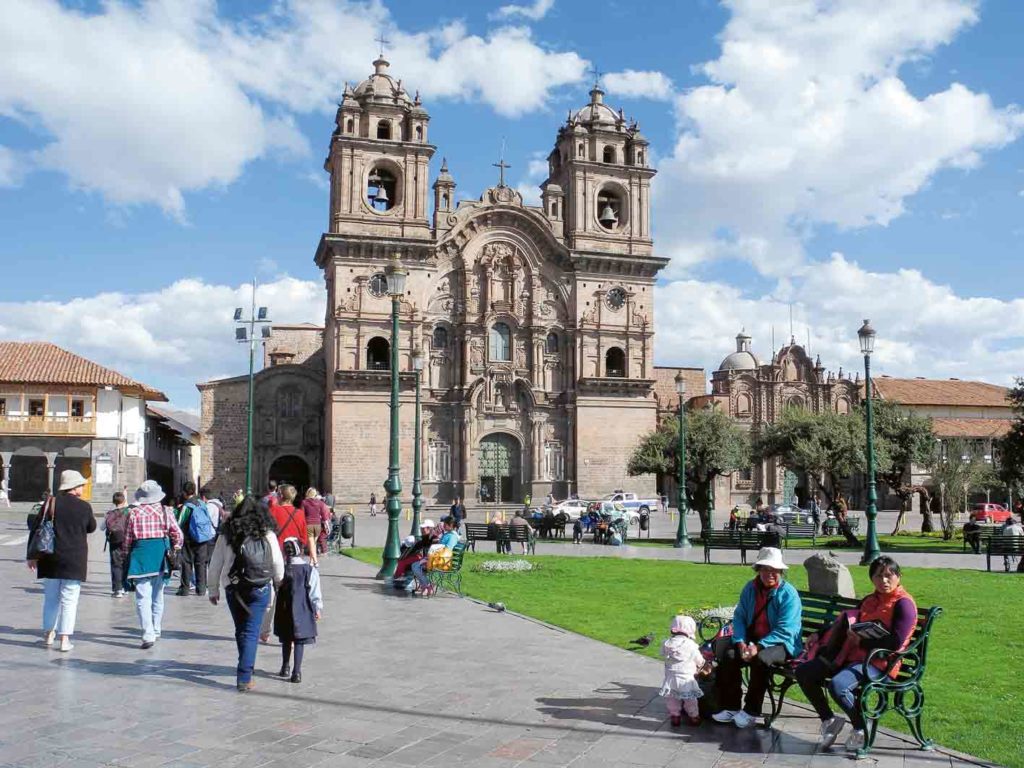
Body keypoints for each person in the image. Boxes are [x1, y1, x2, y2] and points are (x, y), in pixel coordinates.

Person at [795, 556, 918, 753]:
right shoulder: (870, 600)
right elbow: (847, 619)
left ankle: (861, 727)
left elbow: (895, 642)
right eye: (878, 576)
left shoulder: (904, 604)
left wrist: (863, 641)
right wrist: (819, 633)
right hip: (850, 656)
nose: (884, 580)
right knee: (803, 672)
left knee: (838, 685)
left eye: (889, 575)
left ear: (898, 576)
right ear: (872, 579)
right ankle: (829, 720)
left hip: (880, 664)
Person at [712, 547, 803, 729]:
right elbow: (739, 617)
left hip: (782, 644)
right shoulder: (750, 588)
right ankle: (731, 706)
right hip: (753, 640)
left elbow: (786, 630)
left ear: (781, 572)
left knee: (760, 660)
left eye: (775, 570)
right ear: (758, 569)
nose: (771, 574)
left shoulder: (788, 594)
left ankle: (752, 710)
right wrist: (740, 642)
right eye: (766, 569)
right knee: (729, 655)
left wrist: (758, 647)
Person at [208, 495, 285, 692]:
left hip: (234, 588)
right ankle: (244, 676)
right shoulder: (267, 533)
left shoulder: (227, 534)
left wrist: (213, 589)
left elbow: (215, 564)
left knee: (241, 630)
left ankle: (244, 668)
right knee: (251, 632)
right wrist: (279, 583)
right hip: (260, 587)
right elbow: (277, 562)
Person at [26, 470, 96, 653]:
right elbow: (92, 527)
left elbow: (36, 528)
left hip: (50, 557)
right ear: (74, 487)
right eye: (81, 484)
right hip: (74, 559)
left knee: (51, 599)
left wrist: (31, 556)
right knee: (69, 600)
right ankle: (65, 639)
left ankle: (49, 634)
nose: (83, 487)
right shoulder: (84, 507)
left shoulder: (51, 503)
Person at [124, 480, 185, 649]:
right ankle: (156, 629)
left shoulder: (134, 513)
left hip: (140, 554)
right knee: (158, 594)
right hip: (160, 554)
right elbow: (177, 534)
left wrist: (125, 554)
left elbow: (128, 538)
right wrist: (176, 547)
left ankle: (147, 633)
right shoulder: (166, 511)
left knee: (142, 597)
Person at [274, 538, 323, 684]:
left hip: (284, 609)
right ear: (300, 550)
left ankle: (285, 667)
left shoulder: (282, 569)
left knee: (286, 639)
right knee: (299, 641)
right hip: (302, 608)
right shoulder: (309, 570)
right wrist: (317, 608)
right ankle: (297, 672)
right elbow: (315, 592)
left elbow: (276, 588)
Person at [264, 484, 307, 642]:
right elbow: (303, 538)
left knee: (272, 596)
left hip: (275, 558)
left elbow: (266, 532)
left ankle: (265, 630)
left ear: (280, 496)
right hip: (293, 560)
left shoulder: (273, 511)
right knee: (293, 596)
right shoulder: (300, 513)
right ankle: (294, 631)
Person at [660, 615, 707, 727]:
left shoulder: (666, 643)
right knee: (691, 700)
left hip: (670, 678)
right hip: (686, 679)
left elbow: (663, 654)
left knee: (673, 699)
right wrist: (703, 665)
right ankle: (694, 716)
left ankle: (675, 716)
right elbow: (700, 661)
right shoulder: (691, 645)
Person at [176, 482, 217, 597]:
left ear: (184, 492)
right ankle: (201, 589)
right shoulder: (201, 503)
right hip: (203, 538)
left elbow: (180, 522)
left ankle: (184, 589)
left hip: (189, 539)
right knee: (201, 564)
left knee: (187, 563)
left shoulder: (187, 505)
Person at [409, 517, 460, 596]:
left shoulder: (452, 537)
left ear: (451, 525)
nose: (444, 526)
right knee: (415, 565)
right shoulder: (447, 534)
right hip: (438, 559)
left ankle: (427, 585)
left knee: (416, 566)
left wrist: (435, 550)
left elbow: (448, 549)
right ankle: (426, 586)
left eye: (445, 525)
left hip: (442, 561)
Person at [103, 491, 131, 597]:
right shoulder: (129, 512)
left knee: (116, 564)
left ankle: (117, 589)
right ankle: (125, 587)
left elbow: (103, 527)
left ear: (113, 502)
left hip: (115, 540)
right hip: (127, 540)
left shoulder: (110, 514)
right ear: (124, 500)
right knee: (126, 563)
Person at [394, 520, 437, 586]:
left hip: (427, 560)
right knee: (404, 560)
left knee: (403, 562)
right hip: (423, 558)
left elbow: (428, 551)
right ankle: (399, 577)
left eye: (423, 528)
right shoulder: (426, 537)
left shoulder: (432, 538)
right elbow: (419, 546)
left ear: (429, 528)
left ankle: (398, 577)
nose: (422, 530)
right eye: (421, 528)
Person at [301, 488, 329, 566]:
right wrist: (327, 525)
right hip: (317, 524)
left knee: (311, 543)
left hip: (308, 524)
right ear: (315, 494)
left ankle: (315, 561)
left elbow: (302, 514)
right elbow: (324, 515)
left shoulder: (304, 502)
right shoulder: (320, 503)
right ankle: (311, 561)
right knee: (313, 543)